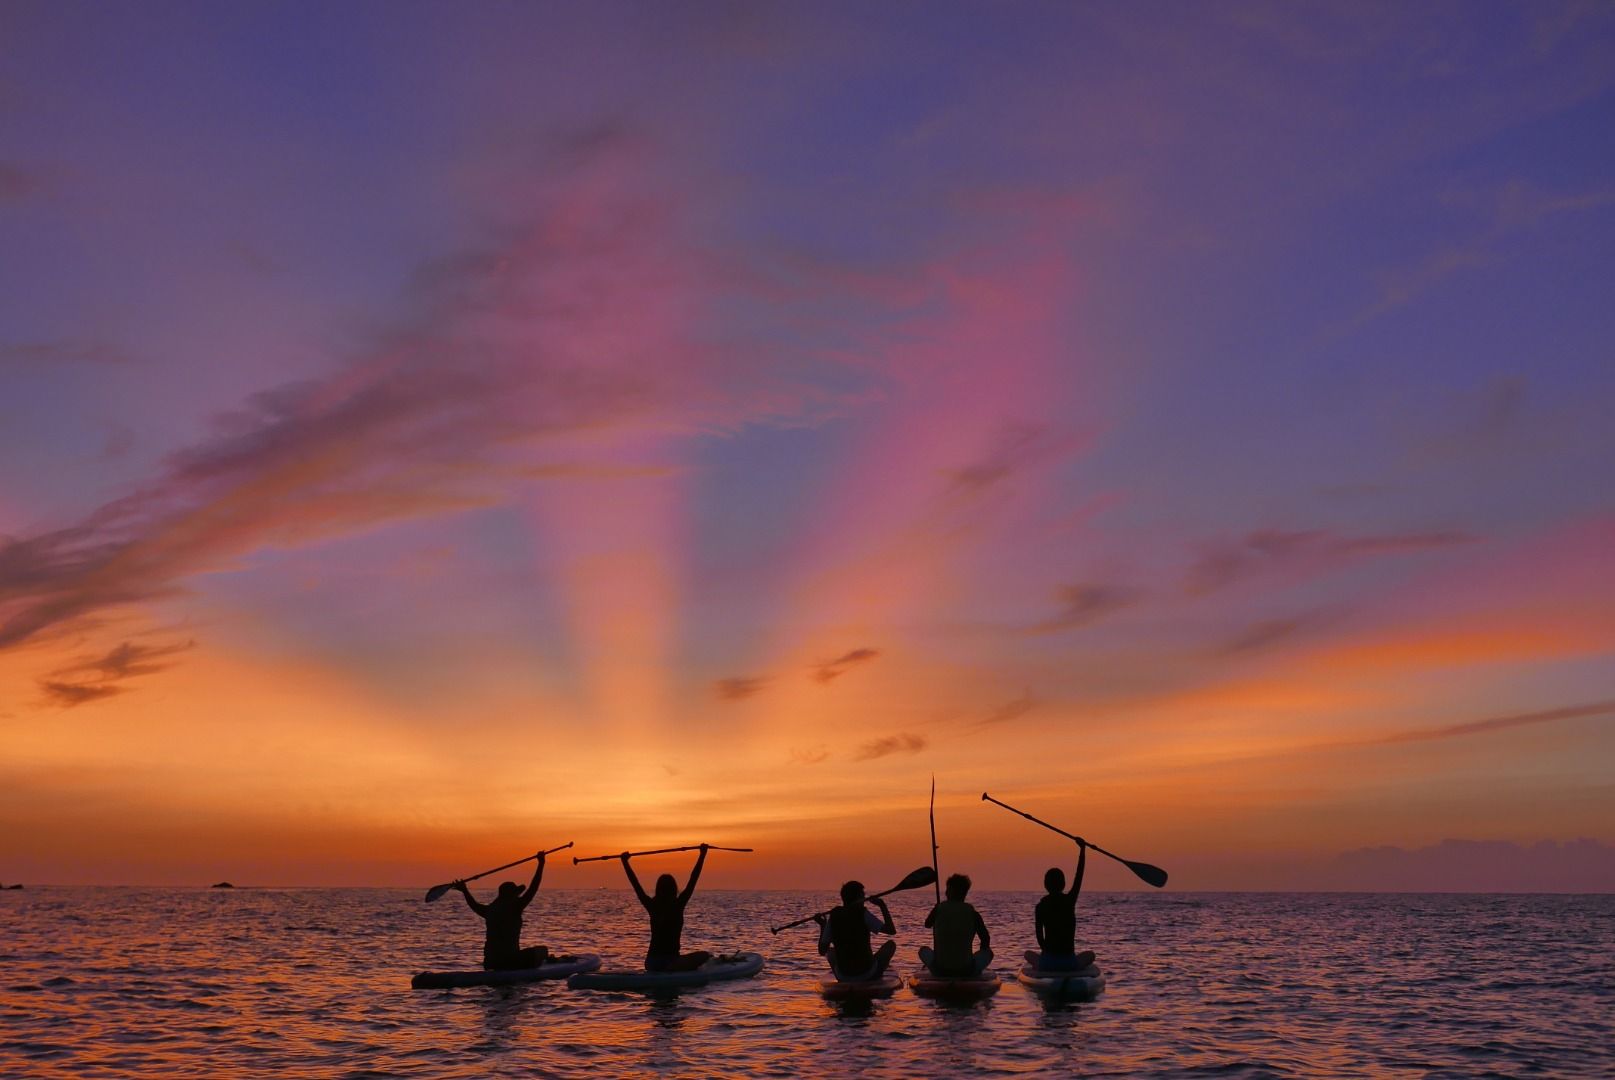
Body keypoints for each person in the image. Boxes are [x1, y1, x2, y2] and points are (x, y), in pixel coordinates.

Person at [453, 850, 549, 971]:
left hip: (489, 963)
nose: (518, 896)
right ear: (512, 895)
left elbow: (474, 905)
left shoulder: (489, 910)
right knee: (543, 950)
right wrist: (541, 863)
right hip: (509, 962)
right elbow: (534, 887)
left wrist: (465, 890)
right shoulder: (515, 907)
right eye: (516, 894)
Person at [622, 844, 712, 972]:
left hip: (651, 963)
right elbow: (693, 879)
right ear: (674, 889)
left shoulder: (652, 905)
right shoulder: (678, 904)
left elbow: (635, 884)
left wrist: (624, 862)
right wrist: (702, 854)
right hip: (670, 964)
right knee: (705, 955)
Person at [1025, 839, 1098, 972]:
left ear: (1045, 885)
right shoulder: (1070, 900)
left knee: (1027, 954)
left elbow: (1039, 936)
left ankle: (1040, 966)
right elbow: (1079, 876)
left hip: (1047, 963)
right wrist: (1082, 850)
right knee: (1091, 955)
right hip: (1069, 964)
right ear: (1063, 884)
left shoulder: (1040, 906)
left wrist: (1046, 953)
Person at [815, 880, 896, 981]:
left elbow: (822, 951)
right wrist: (882, 905)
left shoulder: (834, 915)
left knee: (831, 952)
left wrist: (823, 925)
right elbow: (891, 930)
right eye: (862, 895)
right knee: (891, 945)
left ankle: (845, 976)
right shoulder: (863, 914)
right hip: (866, 973)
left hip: (843, 975)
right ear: (858, 898)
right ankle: (875, 973)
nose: (864, 899)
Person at [919, 873, 993, 977]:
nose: (945, 893)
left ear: (951, 890)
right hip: (966, 970)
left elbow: (927, 924)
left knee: (923, 950)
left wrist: (936, 909)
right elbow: (985, 939)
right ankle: (975, 970)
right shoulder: (973, 914)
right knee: (988, 953)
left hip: (940, 970)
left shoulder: (938, 909)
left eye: (947, 889)